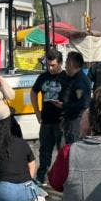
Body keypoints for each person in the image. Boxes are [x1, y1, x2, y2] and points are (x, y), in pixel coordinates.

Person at [30, 49, 68, 185]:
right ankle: (42, 177)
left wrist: (64, 105)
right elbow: (33, 92)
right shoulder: (43, 77)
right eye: (48, 65)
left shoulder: (66, 77)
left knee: (63, 152)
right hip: (46, 121)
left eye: (53, 65)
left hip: (61, 121)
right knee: (44, 151)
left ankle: (63, 178)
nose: (50, 68)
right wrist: (37, 112)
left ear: (60, 63)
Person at [59, 51, 91, 144]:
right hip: (76, 120)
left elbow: (81, 103)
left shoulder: (79, 81)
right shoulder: (78, 78)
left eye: (66, 63)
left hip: (76, 121)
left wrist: (64, 106)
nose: (65, 66)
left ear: (71, 64)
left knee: (73, 148)